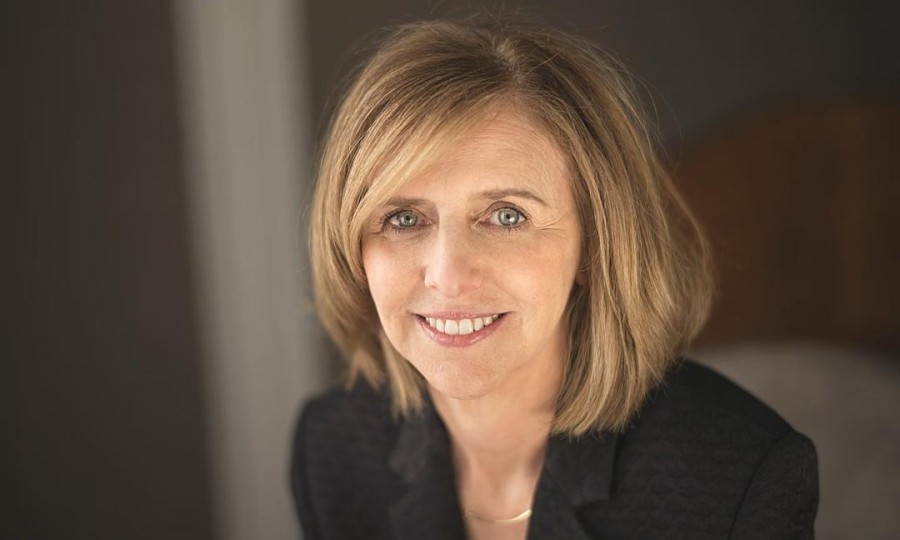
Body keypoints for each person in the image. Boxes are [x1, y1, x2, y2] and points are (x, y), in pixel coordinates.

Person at [292, 15, 818, 540]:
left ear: (594, 243)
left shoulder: (737, 479)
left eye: (506, 216)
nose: (448, 278)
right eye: (403, 219)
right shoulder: (333, 450)